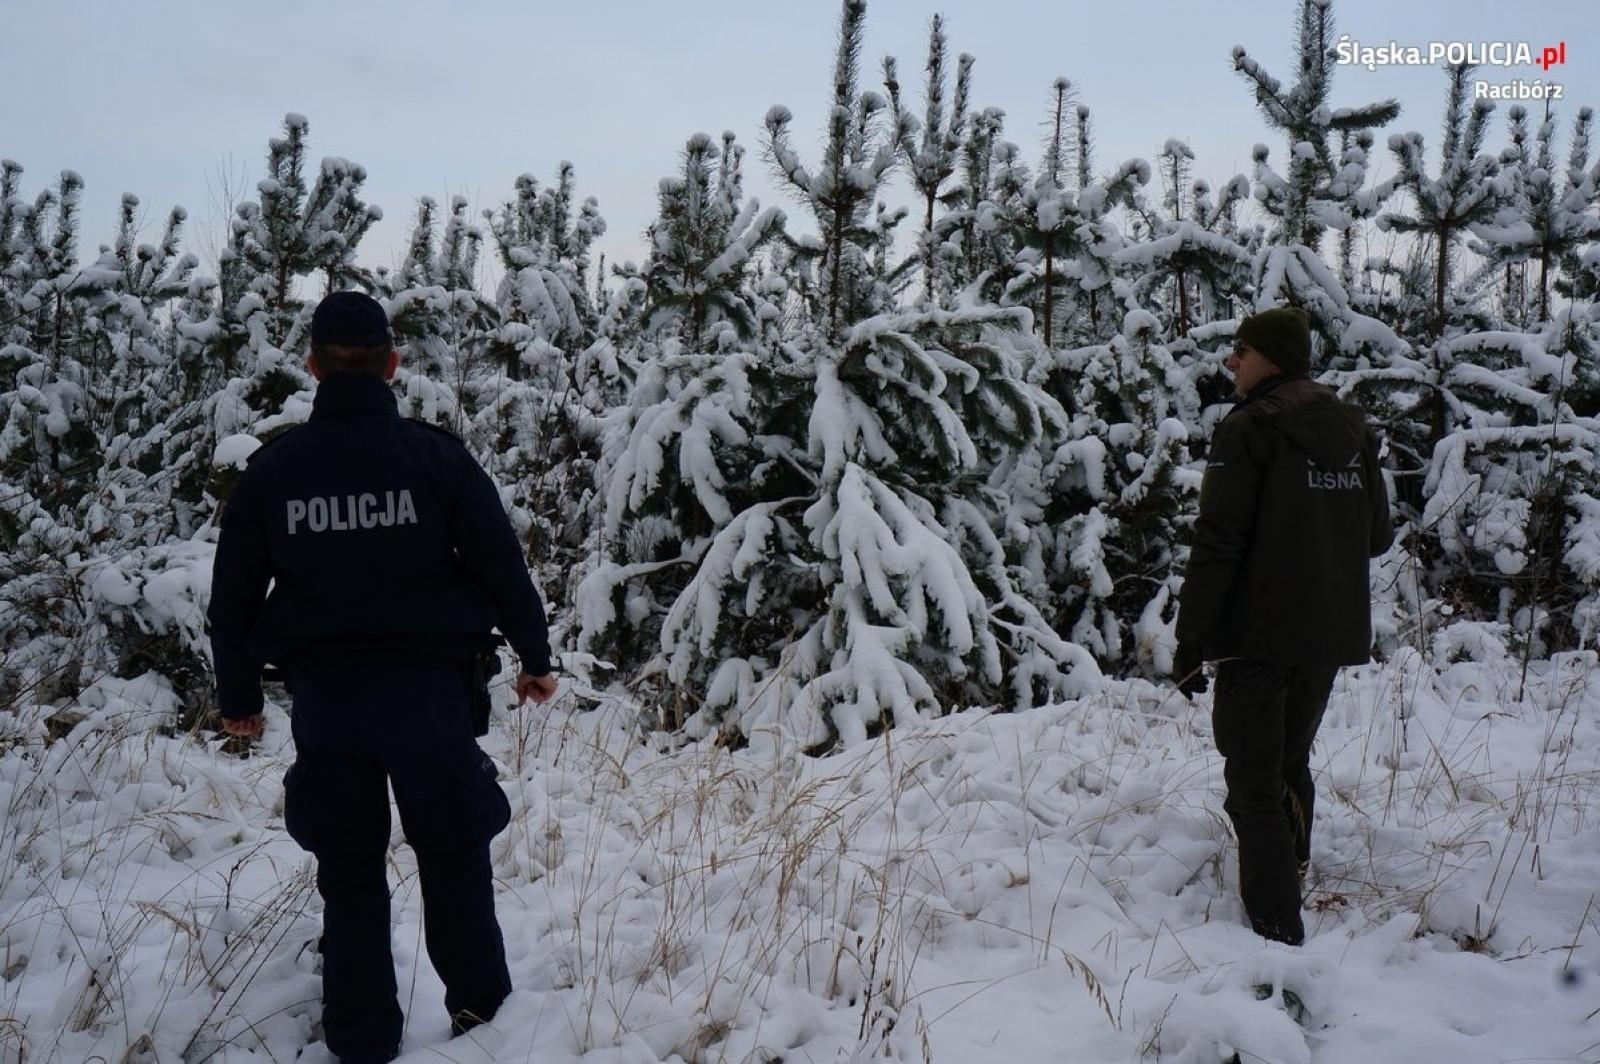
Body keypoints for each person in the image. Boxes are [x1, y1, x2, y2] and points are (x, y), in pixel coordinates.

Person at [207, 290, 558, 1063]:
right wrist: (536, 658)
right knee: (453, 850)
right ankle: (483, 1021)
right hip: (431, 695)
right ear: (392, 365)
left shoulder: (276, 470)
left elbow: (231, 598)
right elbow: (502, 564)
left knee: (350, 865)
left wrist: (239, 699)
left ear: (312, 367)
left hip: (328, 700)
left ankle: (362, 1041)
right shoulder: (436, 459)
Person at [1172, 305, 1393, 946]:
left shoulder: (1250, 428)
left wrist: (1193, 637)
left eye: (1241, 349)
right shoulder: (1353, 429)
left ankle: (1275, 934)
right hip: (1327, 635)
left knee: (1251, 780)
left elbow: (1219, 540)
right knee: (1289, 762)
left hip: (1259, 636)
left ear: (1271, 358)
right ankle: (1288, 875)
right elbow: (1376, 537)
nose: (1231, 361)